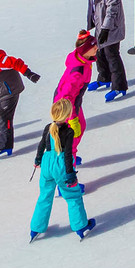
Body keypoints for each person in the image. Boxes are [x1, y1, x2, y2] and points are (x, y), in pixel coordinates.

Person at [29, 101, 95, 240]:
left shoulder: (48, 127)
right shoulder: (69, 131)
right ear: (67, 114)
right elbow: (67, 154)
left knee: (44, 196)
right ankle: (80, 226)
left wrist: (38, 160)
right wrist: (70, 173)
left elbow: (41, 145)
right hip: (61, 165)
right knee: (73, 196)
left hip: (47, 164)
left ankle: (36, 227)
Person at [53, 30, 97, 165]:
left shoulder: (80, 58)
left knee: (79, 129)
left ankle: (70, 153)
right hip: (66, 106)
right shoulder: (78, 73)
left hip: (72, 102)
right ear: (85, 49)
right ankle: (67, 171)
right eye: (93, 46)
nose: (96, 48)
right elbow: (67, 97)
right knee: (73, 134)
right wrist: (72, 119)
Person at [88, 0, 129, 100]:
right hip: (100, 26)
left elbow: (112, 10)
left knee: (112, 55)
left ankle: (119, 87)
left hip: (111, 27)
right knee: (99, 53)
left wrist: (106, 29)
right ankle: (104, 78)